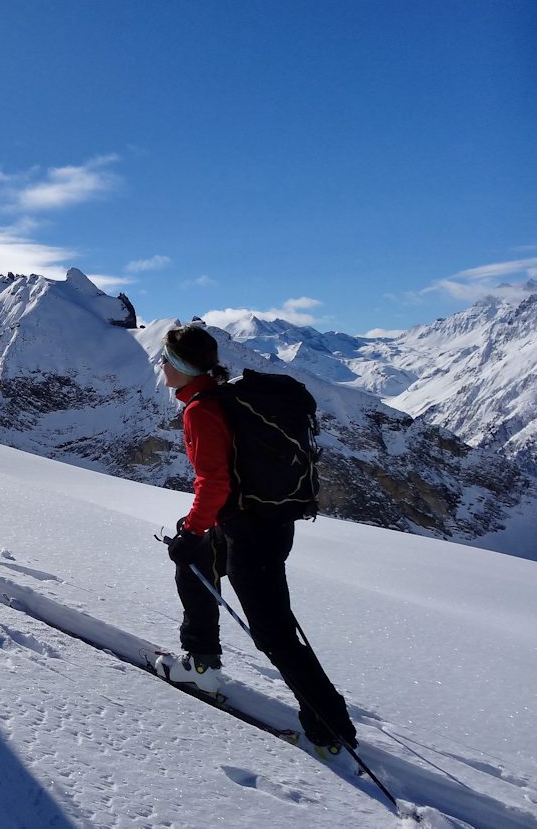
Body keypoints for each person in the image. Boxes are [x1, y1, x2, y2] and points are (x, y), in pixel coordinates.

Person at [154, 323, 357, 753]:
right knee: (194, 565)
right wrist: (196, 532)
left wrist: (193, 528)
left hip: (253, 532)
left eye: (167, 359)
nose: (161, 365)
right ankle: (202, 664)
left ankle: (330, 726)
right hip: (255, 522)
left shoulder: (201, 410)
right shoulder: (217, 397)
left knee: (272, 632)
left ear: (184, 366)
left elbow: (214, 483)